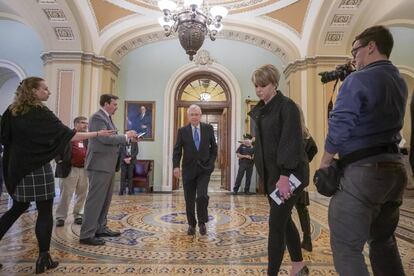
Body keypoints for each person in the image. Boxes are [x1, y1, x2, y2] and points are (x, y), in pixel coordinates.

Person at [0, 77, 113, 274]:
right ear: (33, 91)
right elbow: (69, 135)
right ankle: (44, 258)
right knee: (44, 212)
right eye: (45, 89)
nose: (48, 92)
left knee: (17, 208)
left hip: (18, 167)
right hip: (38, 167)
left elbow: (4, 139)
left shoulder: (11, 111)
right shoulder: (41, 112)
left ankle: (44, 257)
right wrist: (97, 134)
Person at [319, 26, 407, 276]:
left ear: (371, 47)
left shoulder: (358, 80)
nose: (353, 57)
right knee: (384, 243)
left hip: (364, 173)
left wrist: (325, 162)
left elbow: (340, 124)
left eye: (355, 50)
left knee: (347, 247)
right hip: (395, 171)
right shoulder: (399, 80)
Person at [248, 64, 309, 275]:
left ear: (274, 84)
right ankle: (299, 265)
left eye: (263, 85)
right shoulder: (263, 109)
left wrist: (284, 176)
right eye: (256, 86)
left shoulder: (287, 106)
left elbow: (290, 142)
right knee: (284, 219)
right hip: (274, 176)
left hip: (290, 174)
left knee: (276, 224)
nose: (258, 90)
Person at [79, 94, 137, 246]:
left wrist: (129, 138)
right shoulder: (97, 118)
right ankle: (86, 234)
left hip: (108, 164)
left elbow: (112, 139)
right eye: (114, 104)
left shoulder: (107, 118)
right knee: (95, 200)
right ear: (106, 104)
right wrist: (125, 136)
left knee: (105, 200)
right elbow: (104, 139)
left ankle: (100, 228)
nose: (116, 107)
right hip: (99, 165)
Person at [173, 104, 217, 236]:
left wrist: (211, 163)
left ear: (200, 115)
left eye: (196, 114)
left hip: (204, 169)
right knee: (189, 199)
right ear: (188, 116)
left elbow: (214, 149)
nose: (194, 117)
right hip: (188, 170)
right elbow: (177, 151)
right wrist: (176, 166)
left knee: (202, 195)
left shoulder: (208, 128)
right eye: (192, 114)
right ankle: (191, 224)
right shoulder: (182, 131)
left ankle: (202, 222)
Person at [55, 116, 89, 227]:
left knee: (82, 194)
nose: (86, 125)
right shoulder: (67, 135)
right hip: (70, 169)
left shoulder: (88, 137)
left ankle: (78, 215)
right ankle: (60, 217)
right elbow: (56, 147)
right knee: (66, 194)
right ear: (76, 124)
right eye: (83, 123)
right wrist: (59, 161)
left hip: (84, 170)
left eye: (86, 123)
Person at [295, 106, 318, 252]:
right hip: (302, 175)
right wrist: (305, 161)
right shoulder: (306, 134)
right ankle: (307, 239)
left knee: (281, 208)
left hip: (288, 177)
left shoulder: (290, 132)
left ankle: (286, 238)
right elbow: (314, 149)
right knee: (302, 208)